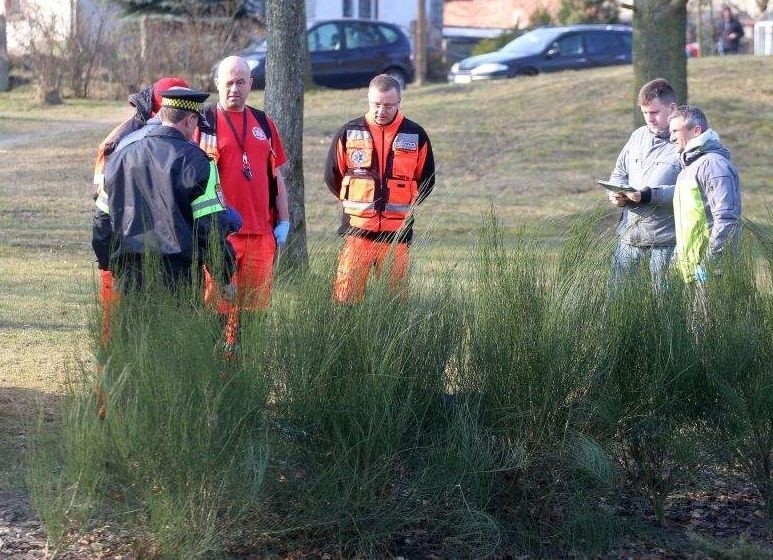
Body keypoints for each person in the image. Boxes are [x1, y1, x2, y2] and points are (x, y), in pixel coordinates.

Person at [93, 87, 234, 294]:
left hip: (130, 277)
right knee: (177, 328)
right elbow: (210, 229)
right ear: (190, 121)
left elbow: (102, 221)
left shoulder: (120, 156)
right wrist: (224, 276)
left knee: (134, 327)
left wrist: (111, 266)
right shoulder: (200, 163)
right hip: (180, 278)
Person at [198, 55, 290, 355]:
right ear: (217, 84)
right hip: (221, 237)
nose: (234, 88)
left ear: (251, 83)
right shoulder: (205, 123)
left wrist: (284, 221)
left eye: (240, 82)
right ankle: (216, 371)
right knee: (218, 307)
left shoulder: (264, 122)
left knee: (254, 311)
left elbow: (276, 176)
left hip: (261, 236)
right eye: (228, 83)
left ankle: (247, 372)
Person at [92, 77, 189, 345]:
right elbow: (104, 203)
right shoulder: (119, 142)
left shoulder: (164, 138)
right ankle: (109, 387)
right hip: (126, 255)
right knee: (117, 332)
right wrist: (113, 263)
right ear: (159, 108)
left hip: (154, 255)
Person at [324, 73, 435, 303]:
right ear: (368, 100)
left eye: (388, 105)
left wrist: (401, 203)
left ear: (398, 103)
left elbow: (426, 180)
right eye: (376, 104)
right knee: (346, 300)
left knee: (393, 303)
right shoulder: (349, 131)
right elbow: (333, 176)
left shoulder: (415, 135)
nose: (381, 111)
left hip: (396, 237)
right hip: (357, 233)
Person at [607, 78, 681, 286]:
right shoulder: (637, 136)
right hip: (628, 239)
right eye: (645, 112)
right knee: (618, 305)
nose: (649, 118)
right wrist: (615, 194)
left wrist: (649, 195)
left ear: (672, 108)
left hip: (666, 243)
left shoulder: (684, 142)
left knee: (663, 310)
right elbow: (619, 174)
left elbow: (691, 191)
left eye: (655, 112)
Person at [668, 105, 741, 284]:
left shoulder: (713, 165)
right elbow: (689, 224)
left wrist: (709, 264)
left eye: (676, 131)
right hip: (691, 271)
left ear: (696, 130)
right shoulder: (689, 168)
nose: (671, 138)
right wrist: (675, 265)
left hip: (713, 273)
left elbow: (727, 219)